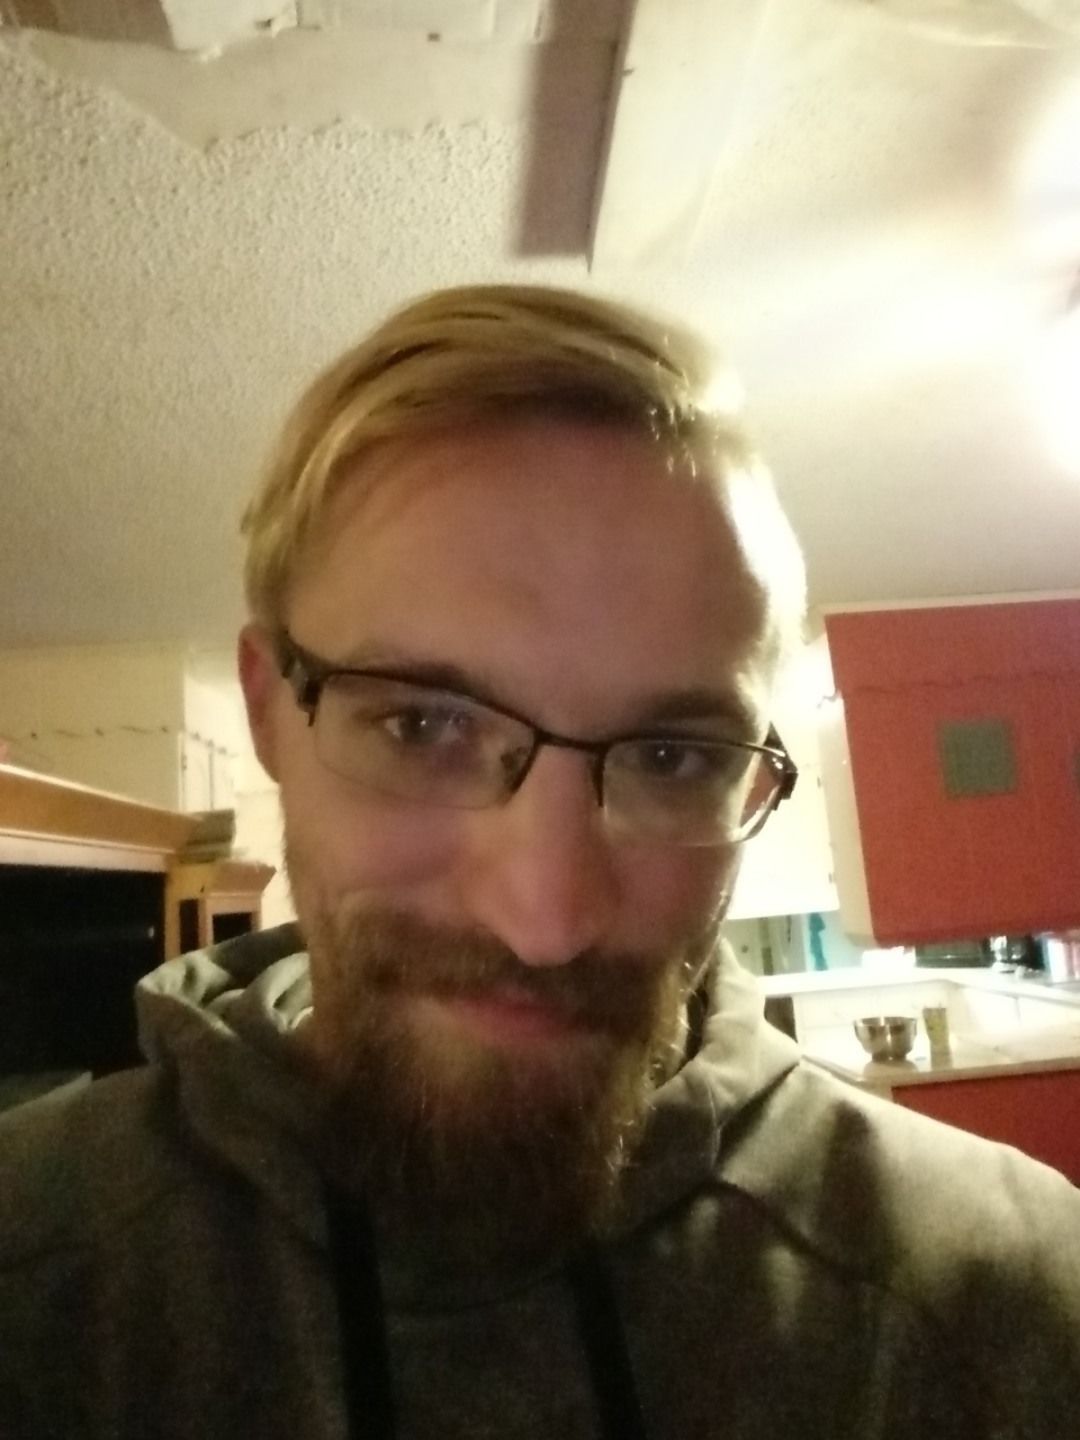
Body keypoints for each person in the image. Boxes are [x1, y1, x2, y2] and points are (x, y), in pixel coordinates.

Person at [1, 285, 1078, 1440]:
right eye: (425, 726)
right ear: (270, 714)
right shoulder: (36, 1272)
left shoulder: (1005, 1308)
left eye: (671, 756)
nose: (547, 920)